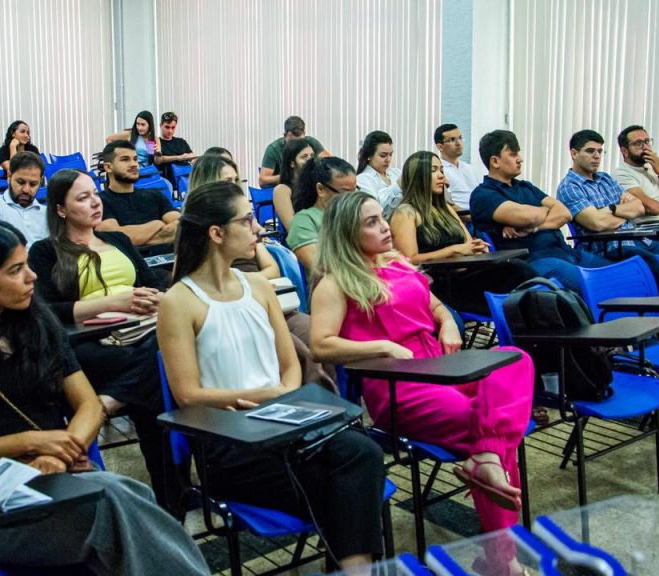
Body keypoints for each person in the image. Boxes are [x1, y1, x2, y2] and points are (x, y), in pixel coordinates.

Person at [0, 220, 209, 576]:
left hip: (61, 481)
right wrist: (32, 442)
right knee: (120, 507)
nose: (32, 277)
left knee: (125, 502)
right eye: (16, 270)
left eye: (27, 266)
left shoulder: (37, 323)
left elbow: (88, 405)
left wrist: (64, 451)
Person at [158, 181, 385, 574]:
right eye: (247, 221)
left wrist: (282, 395)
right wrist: (262, 395)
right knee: (348, 481)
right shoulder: (179, 301)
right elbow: (187, 393)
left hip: (283, 425)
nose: (258, 229)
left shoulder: (259, 286)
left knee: (362, 453)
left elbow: (290, 363)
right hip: (229, 442)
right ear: (216, 233)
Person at [309, 190, 534, 565]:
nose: (384, 227)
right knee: (487, 425)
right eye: (372, 223)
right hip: (398, 383)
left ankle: (487, 460)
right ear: (347, 234)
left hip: (439, 364)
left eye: (382, 218)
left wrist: (446, 323)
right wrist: (382, 346)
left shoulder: (397, 264)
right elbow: (321, 345)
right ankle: (502, 558)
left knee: (515, 359)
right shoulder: (335, 283)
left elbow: (435, 306)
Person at [28, 168, 180, 510]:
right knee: (159, 373)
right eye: (83, 198)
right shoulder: (45, 251)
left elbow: (149, 280)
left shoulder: (118, 241)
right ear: (61, 210)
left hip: (141, 333)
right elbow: (47, 310)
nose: (95, 202)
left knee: (162, 361)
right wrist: (112, 301)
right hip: (88, 344)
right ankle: (174, 499)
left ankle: (106, 404)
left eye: (95, 195)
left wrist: (155, 295)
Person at [190, 154, 335, 389]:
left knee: (317, 337)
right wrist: (238, 285)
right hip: (233, 309)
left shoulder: (244, 223)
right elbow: (203, 283)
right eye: (227, 181)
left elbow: (272, 268)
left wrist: (241, 281)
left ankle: (334, 405)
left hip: (267, 300)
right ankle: (312, 408)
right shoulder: (196, 232)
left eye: (236, 180)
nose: (235, 186)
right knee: (296, 349)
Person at [390, 151, 536, 315]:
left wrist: (477, 248)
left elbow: (467, 244)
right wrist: (453, 250)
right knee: (517, 272)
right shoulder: (405, 213)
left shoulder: (445, 208)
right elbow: (409, 260)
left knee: (518, 270)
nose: (441, 176)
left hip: (465, 276)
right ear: (417, 176)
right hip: (441, 285)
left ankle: (542, 322)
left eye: (441, 171)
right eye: (434, 171)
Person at [469, 130, 613, 294]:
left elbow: (564, 213)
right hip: (534, 260)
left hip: (564, 251)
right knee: (600, 287)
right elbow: (528, 216)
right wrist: (546, 210)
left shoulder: (525, 186)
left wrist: (535, 227)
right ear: (495, 161)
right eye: (513, 154)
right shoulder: (483, 195)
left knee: (622, 277)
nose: (520, 159)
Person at [556, 129, 659, 293]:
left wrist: (610, 210)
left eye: (600, 151)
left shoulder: (605, 179)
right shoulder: (570, 187)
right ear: (574, 154)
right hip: (609, 247)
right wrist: (624, 212)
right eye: (590, 151)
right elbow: (597, 223)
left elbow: (638, 207)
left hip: (640, 240)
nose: (597, 156)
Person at [96, 141, 179, 253]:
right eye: (125, 159)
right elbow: (116, 237)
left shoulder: (154, 195)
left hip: (170, 262)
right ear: (108, 167)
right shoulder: (99, 202)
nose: (134, 164)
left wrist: (140, 238)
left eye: (135, 159)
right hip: (131, 266)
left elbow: (181, 224)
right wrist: (157, 224)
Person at [287, 157, 358, 270]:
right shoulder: (304, 221)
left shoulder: (356, 215)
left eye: (354, 191)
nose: (351, 199)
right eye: (345, 193)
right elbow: (320, 267)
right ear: (321, 189)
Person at [0, 151, 49, 248]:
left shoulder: (46, 213)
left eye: (33, 184)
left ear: (40, 181)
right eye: (21, 182)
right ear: (9, 176)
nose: (26, 190)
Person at [258, 116, 329, 187]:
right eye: (291, 142)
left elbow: (329, 163)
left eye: (300, 141)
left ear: (304, 134)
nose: (296, 146)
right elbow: (262, 180)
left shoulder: (310, 143)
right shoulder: (273, 149)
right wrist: (289, 177)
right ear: (285, 136)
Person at [356, 131, 403, 219]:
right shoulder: (362, 180)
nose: (388, 159)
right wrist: (398, 185)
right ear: (369, 155)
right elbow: (376, 210)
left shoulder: (396, 173)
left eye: (390, 154)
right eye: (383, 155)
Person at [271, 138, 314, 231]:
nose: (310, 160)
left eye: (312, 156)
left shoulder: (317, 186)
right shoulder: (282, 190)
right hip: (300, 241)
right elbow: (293, 229)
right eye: (304, 156)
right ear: (291, 163)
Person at [435, 124, 483, 209]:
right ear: (440, 146)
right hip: (461, 218)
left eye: (460, 138)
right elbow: (446, 204)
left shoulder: (469, 168)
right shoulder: (440, 171)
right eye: (452, 140)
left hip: (479, 214)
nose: (458, 143)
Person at [154, 111, 196, 184]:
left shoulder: (181, 141)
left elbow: (193, 156)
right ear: (160, 125)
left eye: (173, 127)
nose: (170, 131)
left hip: (185, 180)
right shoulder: (157, 142)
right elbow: (158, 160)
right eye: (167, 127)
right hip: (167, 180)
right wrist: (179, 157)